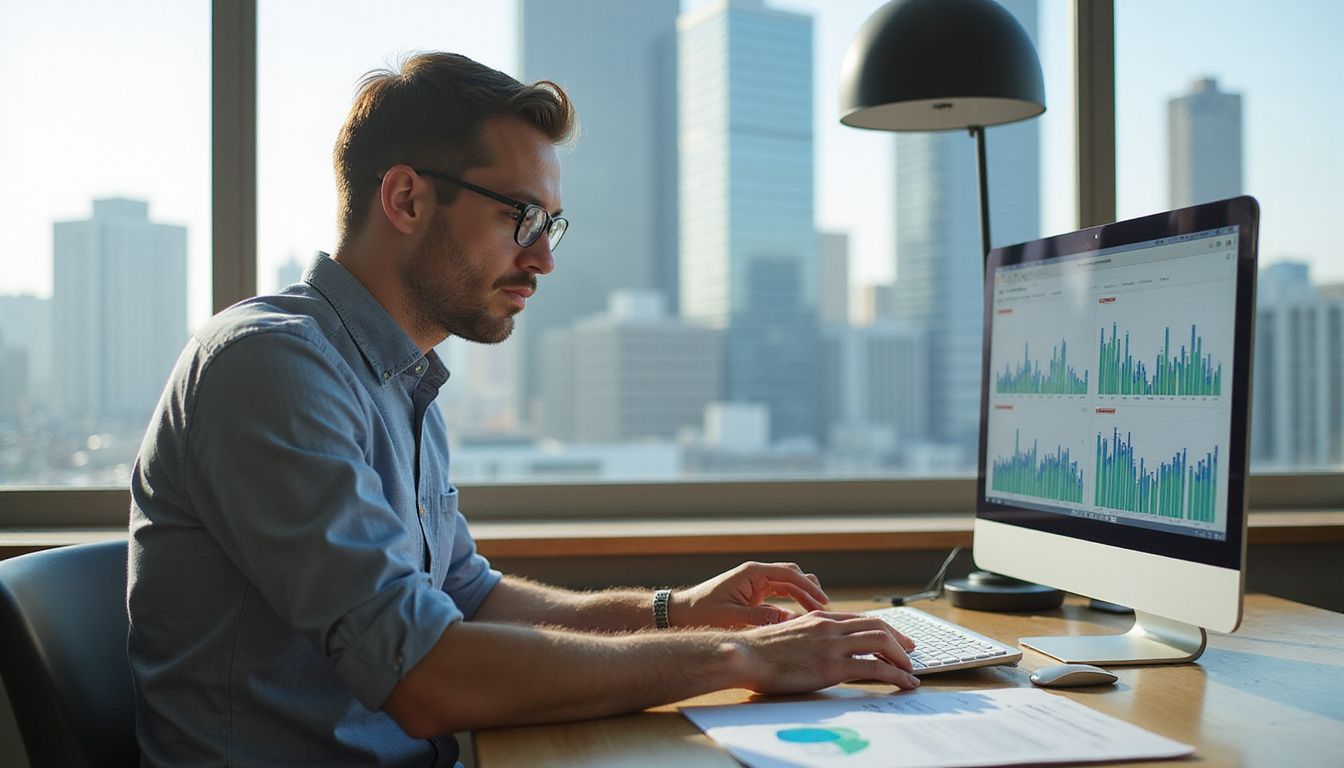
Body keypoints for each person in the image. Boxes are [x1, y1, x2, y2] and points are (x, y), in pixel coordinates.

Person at [128, 51, 918, 767]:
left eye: (552, 226)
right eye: (522, 217)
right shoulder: (270, 366)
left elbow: (470, 597)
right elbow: (425, 675)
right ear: (405, 198)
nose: (542, 257)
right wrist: (744, 658)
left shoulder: (399, 378)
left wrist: (676, 612)